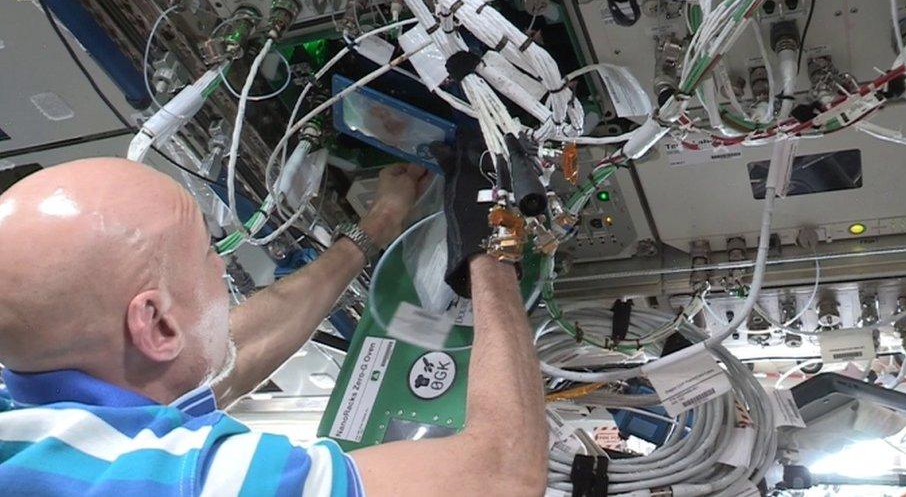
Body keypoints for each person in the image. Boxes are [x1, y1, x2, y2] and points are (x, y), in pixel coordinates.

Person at [0, 153, 547, 495]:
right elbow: (499, 474)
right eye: (207, 254)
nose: (221, 267)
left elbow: (230, 351)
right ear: (157, 326)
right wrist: (489, 249)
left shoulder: (27, 403)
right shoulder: (191, 484)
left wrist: (374, 227)